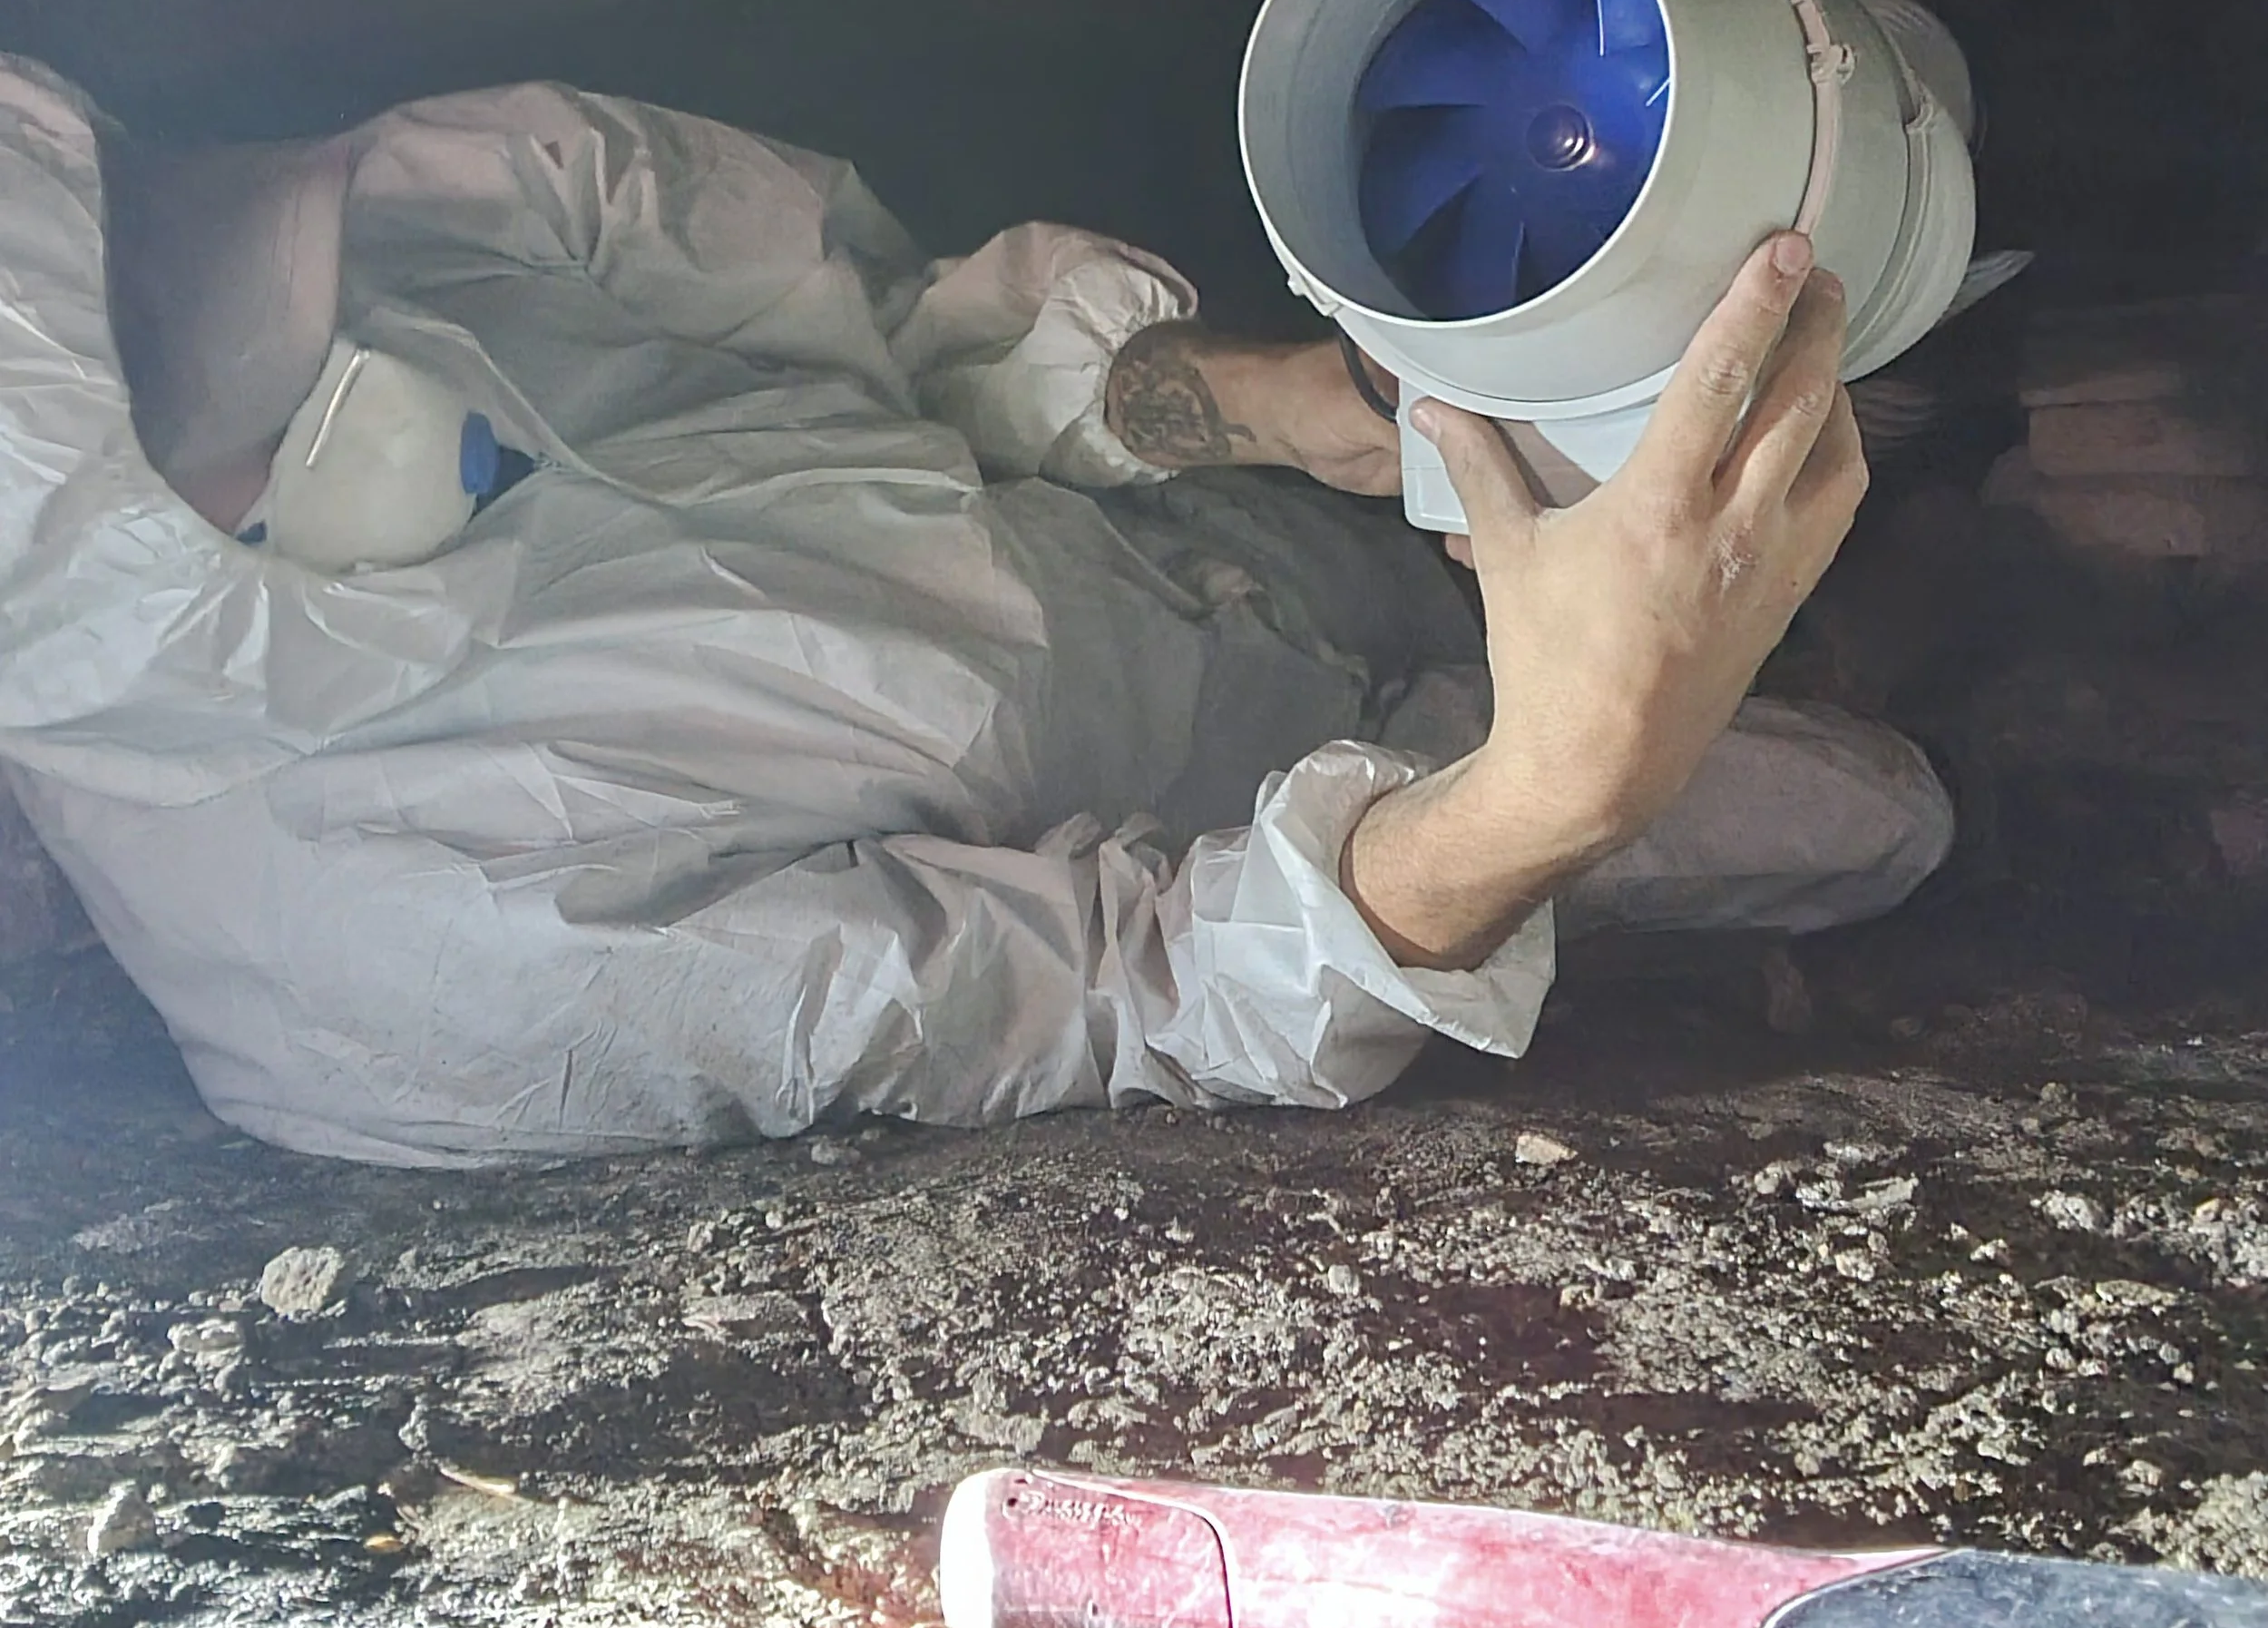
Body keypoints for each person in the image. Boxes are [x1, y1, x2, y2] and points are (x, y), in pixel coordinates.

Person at [0, 61, 1949, 1165]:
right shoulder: (423, 967)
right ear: (130, 608)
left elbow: (903, 332)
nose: (322, 306)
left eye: (190, 268)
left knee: (1809, 401)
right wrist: (1554, 787)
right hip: (1298, 824)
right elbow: (1135, 982)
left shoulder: (402, 208)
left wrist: (1285, 409)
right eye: (233, 397)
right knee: (1881, 816)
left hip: (1222, 527)